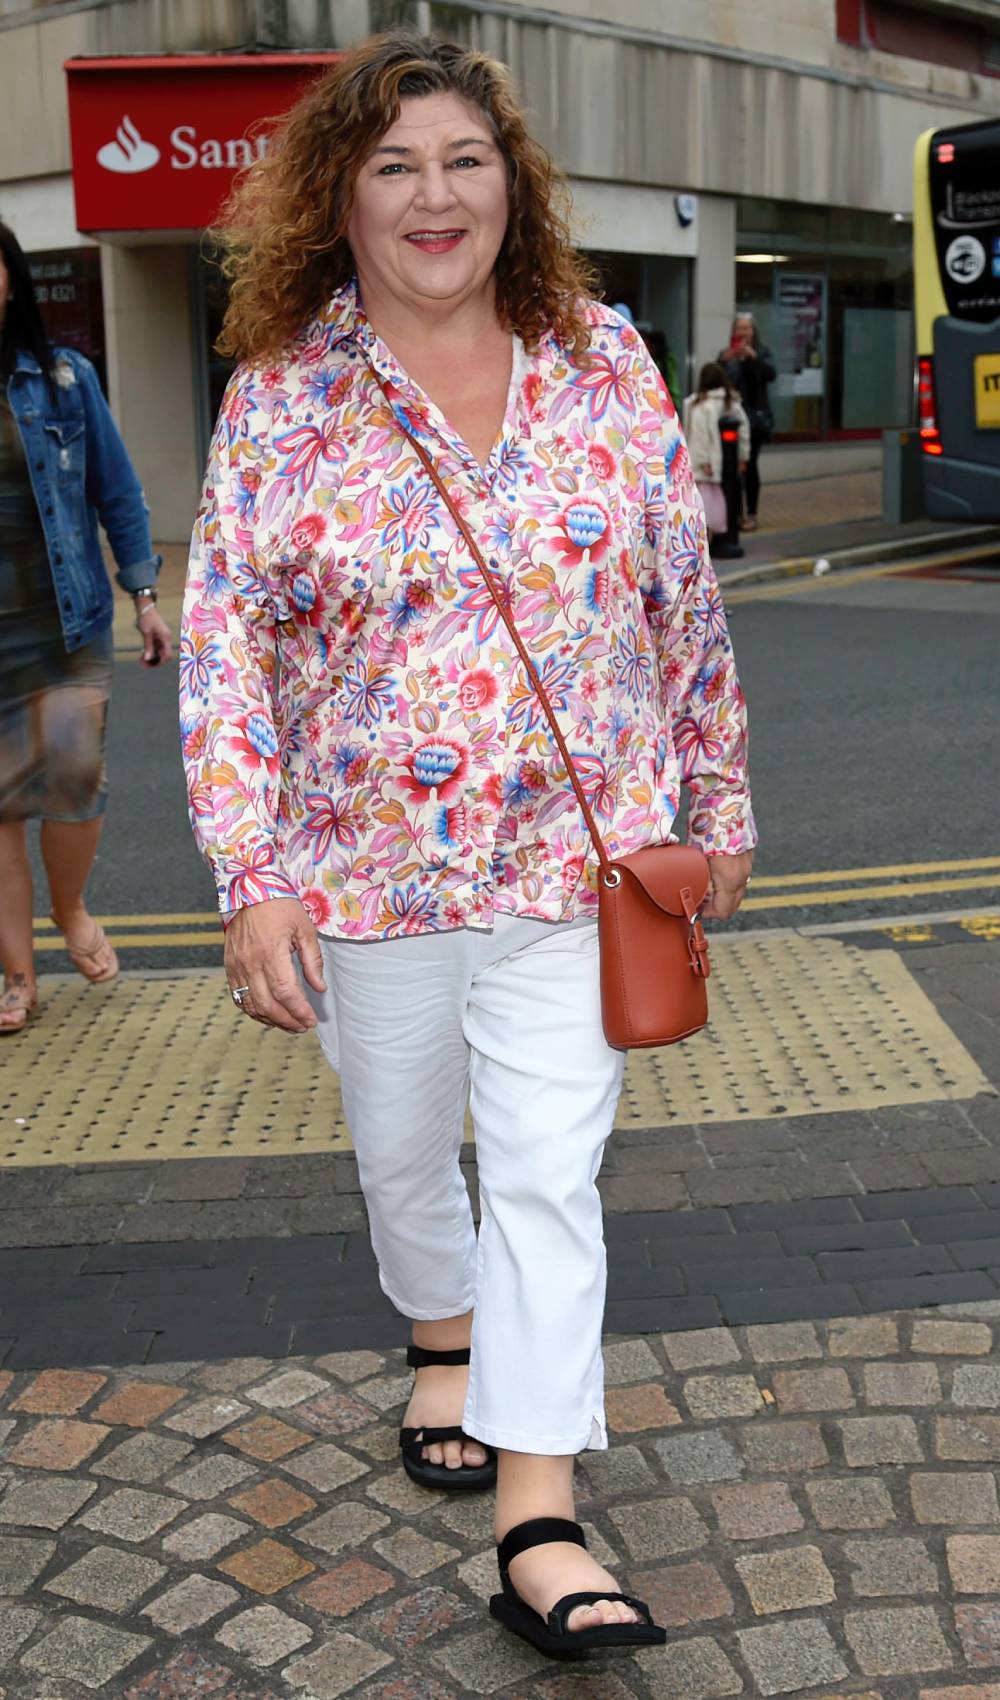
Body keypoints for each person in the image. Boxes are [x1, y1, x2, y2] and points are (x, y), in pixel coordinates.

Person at [181, 29, 755, 1659]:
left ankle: (539, 1518)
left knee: (552, 1183)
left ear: (514, 187)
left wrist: (715, 807)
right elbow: (227, 651)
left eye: (466, 162)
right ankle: (440, 1335)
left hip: (578, 878)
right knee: (401, 1161)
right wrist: (255, 872)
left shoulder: (607, 363)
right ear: (339, 203)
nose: (436, 197)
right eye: (394, 167)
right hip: (370, 887)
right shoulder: (287, 399)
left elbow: (681, 611)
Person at [0, 220, 172, 1034]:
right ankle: (18, 977)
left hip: (63, 625)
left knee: (71, 792)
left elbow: (117, 491)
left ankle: (70, 910)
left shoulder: (64, 380)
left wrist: (143, 594)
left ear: (11, 282)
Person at [718, 311, 776, 531]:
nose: (743, 333)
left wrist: (753, 359)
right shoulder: (727, 355)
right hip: (731, 420)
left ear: (753, 332)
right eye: (739, 329)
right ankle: (736, 513)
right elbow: (717, 380)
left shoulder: (761, 353)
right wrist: (723, 361)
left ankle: (751, 513)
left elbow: (771, 375)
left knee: (749, 466)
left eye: (747, 329)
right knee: (732, 468)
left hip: (756, 421)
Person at [683, 361, 750, 542]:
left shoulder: (696, 404)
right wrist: (743, 456)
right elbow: (744, 429)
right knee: (718, 500)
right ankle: (719, 536)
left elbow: (697, 435)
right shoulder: (730, 402)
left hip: (702, 463)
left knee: (702, 504)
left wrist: (702, 461)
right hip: (723, 462)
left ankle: (705, 541)